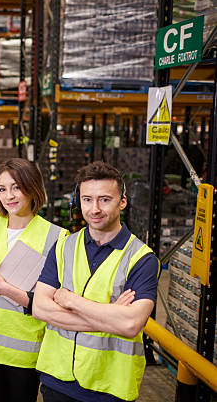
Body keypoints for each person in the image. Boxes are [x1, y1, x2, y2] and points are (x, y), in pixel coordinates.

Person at [33, 161, 159, 402]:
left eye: (104, 199)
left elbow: (131, 324)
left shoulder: (141, 259)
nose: (94, 209)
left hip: (109, 387)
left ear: (122, 202)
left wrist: (70, 300)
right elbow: (40, 308)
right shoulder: (63, 247)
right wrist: (111, 315)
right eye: (87, 199)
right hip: (57, 379)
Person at [0, 158, 68, 402]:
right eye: (2, 189)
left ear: (33, 188)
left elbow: (53, 302)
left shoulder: (56, 237)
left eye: (16, 187)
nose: (9, 196)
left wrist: (6, 289)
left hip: (24, 352)